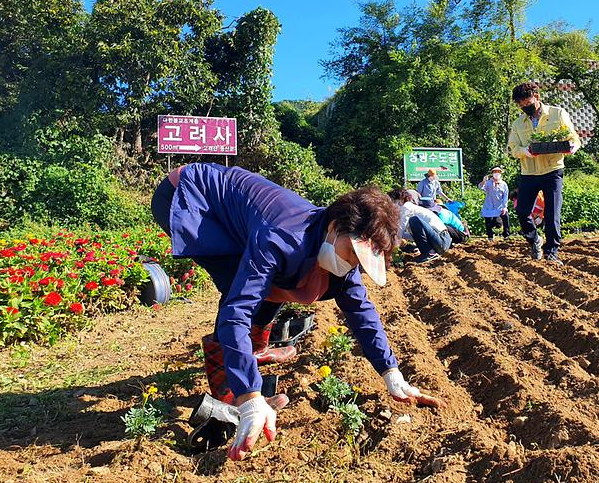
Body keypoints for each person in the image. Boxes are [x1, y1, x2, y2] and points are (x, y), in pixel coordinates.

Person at [151, 163, 444, 461]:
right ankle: (231, 396)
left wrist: (391, 372)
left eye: (360, 260)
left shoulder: (340, 252)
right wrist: (250, 399)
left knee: (278, 279)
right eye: (352, 254)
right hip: (191, 194)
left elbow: (362, 313)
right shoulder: (281, 238)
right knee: (240, 287)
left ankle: (252, 352)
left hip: (242, 213)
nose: (352, 264)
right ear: (333, 227)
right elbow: (237, 311)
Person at [507, 82, 580, 265]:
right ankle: (534, 240)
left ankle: (552, 252)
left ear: (537, 97)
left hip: (552, 170)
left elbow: (573, 137)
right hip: (529, 172)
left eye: (526, 102)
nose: (524, 106)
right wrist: (526, 151)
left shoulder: (557, 113)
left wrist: (572, 147)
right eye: (520, 104)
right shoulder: (518, 124)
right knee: (523, 211)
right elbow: (513, 148)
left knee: (552, 212)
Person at [387, 188, 452, 263]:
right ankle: (429, 252)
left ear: (400, 200)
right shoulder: (411, 208)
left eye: (392, 202)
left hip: (442, 240)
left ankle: (430, 253)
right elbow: (417, 236)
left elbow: (400, 231)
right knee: (413, 222)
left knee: (414, 220)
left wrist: (390, 248)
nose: (391, 205)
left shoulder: (406, 207)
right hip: (440, 242)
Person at [479, 167, 510, 241]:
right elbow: (481, 187)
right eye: (495, 172)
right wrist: (483, 181)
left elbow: (505, 196)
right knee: (488, 221)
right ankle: (490, 237)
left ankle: (506, 235)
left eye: (498, 172)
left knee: (505, 217)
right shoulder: (488, 183)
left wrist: (504, 207)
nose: (496, 173)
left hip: (499, 207)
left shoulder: (504, 184)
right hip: (489, 206)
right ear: (492, 173)